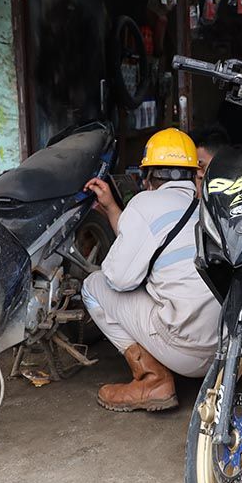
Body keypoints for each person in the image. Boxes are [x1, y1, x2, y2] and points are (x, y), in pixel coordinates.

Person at [81, 128, 221, 412]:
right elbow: (156, 240)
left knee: (94, 285)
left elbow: (118, 279)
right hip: (223, 350)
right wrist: (111, 209)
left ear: (147, 177)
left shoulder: (144, 203)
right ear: (192, 173)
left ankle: (153, 379)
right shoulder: (207, 208)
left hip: (185, 351)